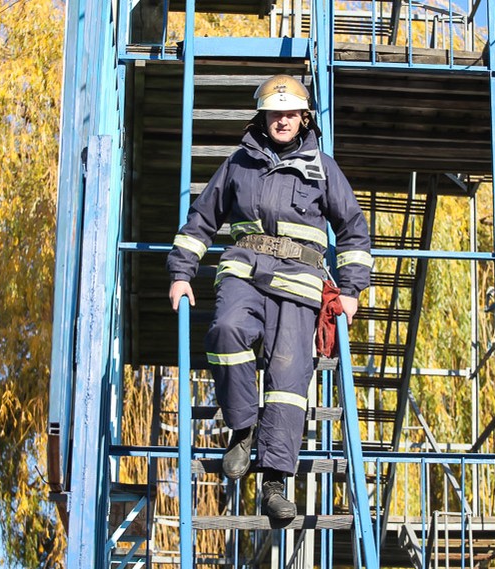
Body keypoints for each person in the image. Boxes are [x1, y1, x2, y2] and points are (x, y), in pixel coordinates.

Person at [167, 74, 372, 521]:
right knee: (226, 332)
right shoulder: (238, 164)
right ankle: (243, 429)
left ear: (304, 118)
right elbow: (201, 220)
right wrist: (181, 274)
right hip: (244, 271)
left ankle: (275, 483)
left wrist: (351, 290)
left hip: (300, 285)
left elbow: (353, 230)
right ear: (262, 117)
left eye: (290, 114)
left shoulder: (323, 167)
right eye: (275, 113)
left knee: (288, 377)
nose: (283, 121)